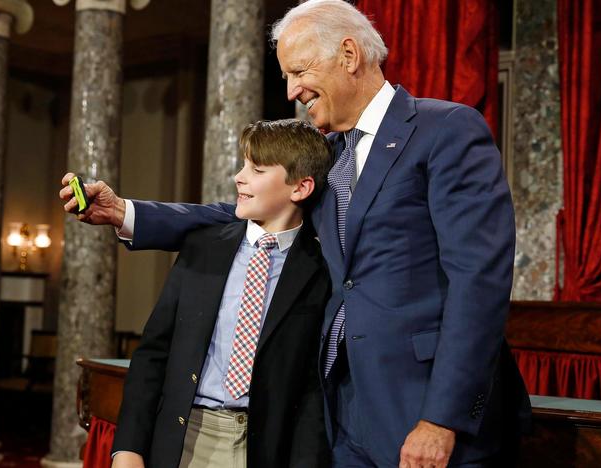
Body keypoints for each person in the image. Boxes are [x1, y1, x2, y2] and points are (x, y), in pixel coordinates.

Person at [62, 1, 531, 466]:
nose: (291, 91)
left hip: (422, 409)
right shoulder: (327, 154)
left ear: (349, 55)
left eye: (299, 70)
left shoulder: (444, 129)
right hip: (342, 416)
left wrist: (442, 419)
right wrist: (126, 213)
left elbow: (479, 282)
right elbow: (239, 214)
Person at [110, 119, 333, 468]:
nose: (239, 177)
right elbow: (153, 353)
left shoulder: (320, 269)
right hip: (186, 438)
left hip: (264, 448)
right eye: (243, 165)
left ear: (301, 188)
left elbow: (311, 388)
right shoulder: (204, 248)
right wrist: (128, 448)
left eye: (256, 169)